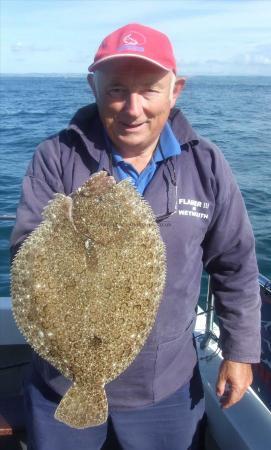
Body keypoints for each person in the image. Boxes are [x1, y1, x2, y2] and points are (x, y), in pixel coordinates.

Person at [10, 23, 261, 450]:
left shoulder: (206, 164)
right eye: (116, 90)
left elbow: (235, 264)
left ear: (175, 90)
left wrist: (241, 351)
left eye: (148, 90)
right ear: (94, 87)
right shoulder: (56, 155)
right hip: (62, 382)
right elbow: (26, 251)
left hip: (163, 387)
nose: (132, 108)